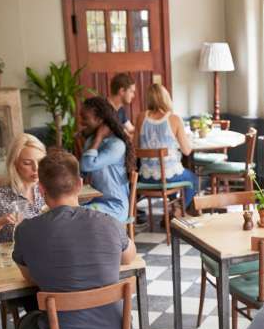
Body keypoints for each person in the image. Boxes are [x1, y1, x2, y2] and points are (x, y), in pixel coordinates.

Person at [15, 149, 136, 329]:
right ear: (80, 184)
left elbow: (29, 277)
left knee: (24, 327)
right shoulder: (108, 222)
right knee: (104, 310)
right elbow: (129, 258)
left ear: (41, 190)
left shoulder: (27, 230)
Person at [134, 83, 198, 211]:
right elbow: (186, 151)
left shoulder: (141, 117)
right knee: (193, 179)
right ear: (166, 98)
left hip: (146, 178)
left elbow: (136, 146)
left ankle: (172, 210)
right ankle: (178, 211)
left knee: (175, 180)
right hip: (169, 177)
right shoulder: (175, 119)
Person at [0, 133, 46, 246]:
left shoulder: (50, 189)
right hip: (14, 259)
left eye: (40, 162)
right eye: (27, 163)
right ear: (14, 164)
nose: (36, 168)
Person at [79, 96, 135, 223]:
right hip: (94, 201)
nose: (81, 122)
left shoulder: (117, 145)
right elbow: (81, 171)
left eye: (85, 118)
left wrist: (99, 136)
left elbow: (87, 165)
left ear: (99, 120)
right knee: (67, 212)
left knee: (77, 217)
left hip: (114, 206)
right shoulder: (90, 142)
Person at [108, 72, 136, 136]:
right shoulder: (103, 107)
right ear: (122, 91)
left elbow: (130, 129)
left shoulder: (121, 110)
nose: (133, 95)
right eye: (131, 91)